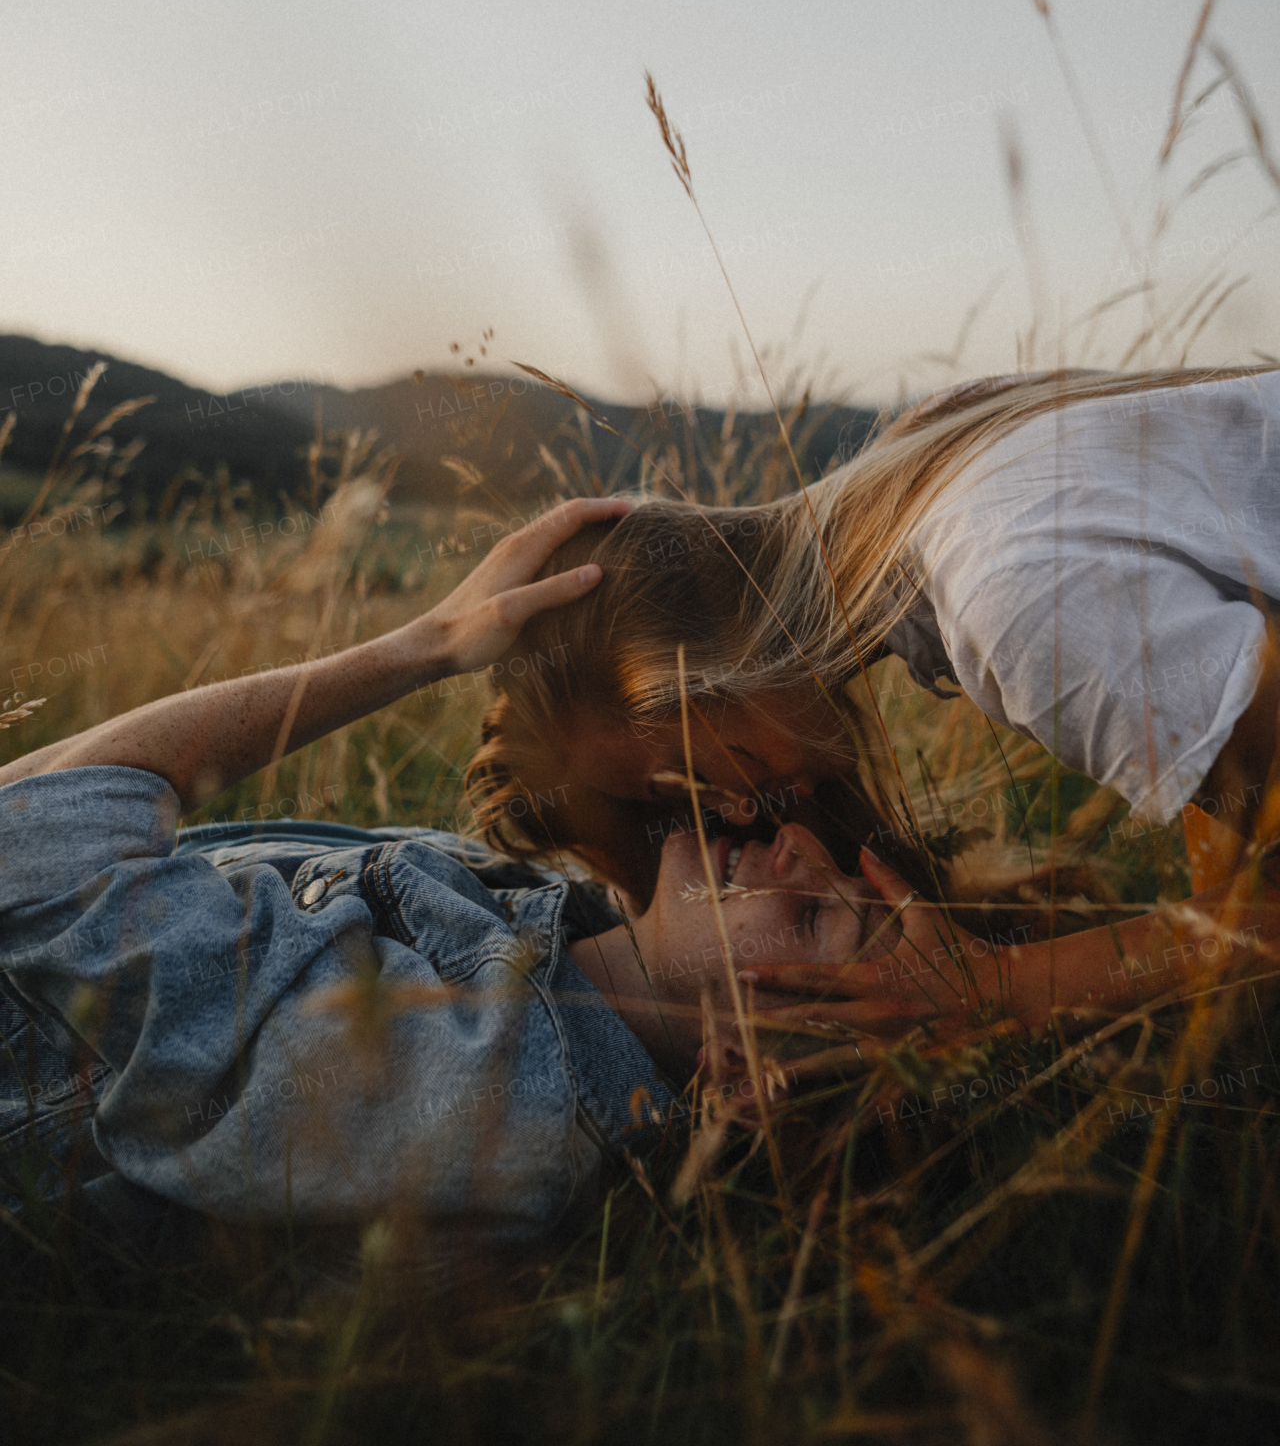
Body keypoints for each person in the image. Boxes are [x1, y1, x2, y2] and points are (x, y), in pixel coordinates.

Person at [0, 497, 891, 1252]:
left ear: (739, 1071)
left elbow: (33, 834)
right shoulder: (554, 940)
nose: (799, 853)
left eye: (815, 919)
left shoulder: (474, 1085)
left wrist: (416, 650)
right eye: (835, 867)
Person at [464, 366, 1280, 1038]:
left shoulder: (1015, 603)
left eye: (685, 773)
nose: (737, 810)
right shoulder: (929, 469)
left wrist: (1005, 987)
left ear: (711, 669)